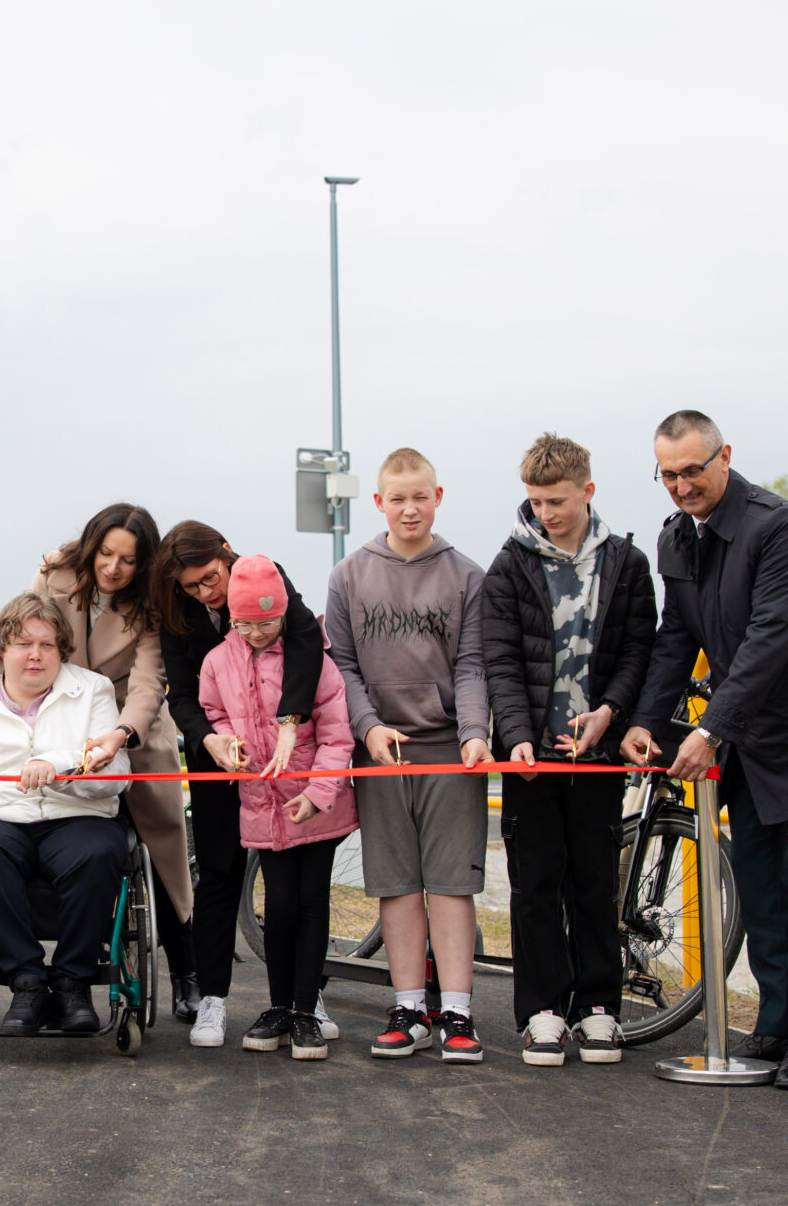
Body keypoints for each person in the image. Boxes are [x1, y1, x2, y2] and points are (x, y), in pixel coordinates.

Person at [620, 410, 788, 1090]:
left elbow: (770, 639)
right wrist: (647, 721)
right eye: (668, 474)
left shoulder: (780, 528)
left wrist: (709, 730)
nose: (681, 485)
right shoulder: (676, 541)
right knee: (764, 891)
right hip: (751, 738)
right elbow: (676, 637)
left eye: (692, 470)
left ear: (724, 458)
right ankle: (774, 1021)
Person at [481, 432, 656, 1067]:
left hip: (600, 754)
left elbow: (640, 648)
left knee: (593, 880)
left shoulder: (628, 564)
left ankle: (599, 1007)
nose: (546, 513)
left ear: (588, 490)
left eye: (557, 500)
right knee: (534, 883)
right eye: (535, 501)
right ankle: (542, 1012)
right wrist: (519, 736)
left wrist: (610, 714)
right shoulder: (508, 565)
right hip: (531, 758)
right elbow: (498, 657)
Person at [325, 447, 494, 1064]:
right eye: (397, 498)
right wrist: (366, 728)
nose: (409, 508)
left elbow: (473, 665)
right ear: (379, 503)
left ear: (438, 497)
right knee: (396, 885)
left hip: (449, 750)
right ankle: (407, 1007)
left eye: (420, 496)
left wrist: (475, 731)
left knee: (451, 886)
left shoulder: (467, 576)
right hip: (380, 752)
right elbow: (341, 666)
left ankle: (457, 1011)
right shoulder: (348, 576)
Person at [0, 592, 135, 1037]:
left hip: (77, 813)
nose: (35, 655)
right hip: (1, 819)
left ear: (62, 649)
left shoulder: (92, 690)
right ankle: (27, 983)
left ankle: (73, 985)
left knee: (98, 854)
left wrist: (59, 768)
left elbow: (116, 774)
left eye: (48, 645)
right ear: (1, 648)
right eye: (23, 643)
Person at [156, 520, 329, 1035]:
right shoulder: (178, 614)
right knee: (218, 872)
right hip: (217, 755)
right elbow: (182, 696)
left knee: (295, 887)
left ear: (228, 555)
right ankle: (212, 996)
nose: (206, 592)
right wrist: (208, 740)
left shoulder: (267, 578)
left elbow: (306, 647)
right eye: (191, 586)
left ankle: (306, 997)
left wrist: (290, 725)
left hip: (284, 754)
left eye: (211, 577)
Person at [32, 507, 196, 999]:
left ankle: (187, 975)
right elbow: (32, 639)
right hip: (64, 722)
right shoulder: (54, 574)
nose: (113, 568)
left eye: (127, 560)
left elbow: (149, 681)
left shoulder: (151, 600)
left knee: (163, 847)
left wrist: (122, 732)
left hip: (132, 724)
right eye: (106, 554)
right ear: (91, 546)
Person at [197, 554, 355, 1060]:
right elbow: (212, 710)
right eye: (245, 622)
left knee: (312, 905)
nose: (257, 632)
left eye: (268, 621)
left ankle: (307, 1010)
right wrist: (225, 741)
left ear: (284, 614)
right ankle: (280, 1006)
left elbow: (336, 737)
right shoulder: (217, 661)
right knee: (278, 907)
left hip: (315, 807)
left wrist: (318, 794)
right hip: (262, 807)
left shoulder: (315, 663)